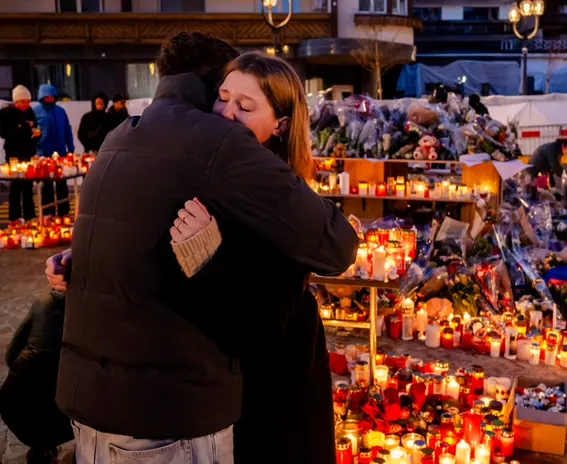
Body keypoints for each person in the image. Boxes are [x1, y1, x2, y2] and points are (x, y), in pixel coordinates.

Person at [54, 32, 358, 464]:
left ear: (281, 123)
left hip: (272, 407)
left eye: (246, 106)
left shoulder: (265, 190)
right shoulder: (209, 159)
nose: (227, 114)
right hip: (177, 403)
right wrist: (80, 263)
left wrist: (209, 259)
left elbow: (269, 322)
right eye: (223, 98)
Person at [0, 290, 73, 464]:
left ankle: (42, 452)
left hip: (15, 403)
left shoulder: (44, 303)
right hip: (63, 409)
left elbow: (10, 356)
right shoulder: (91, 310)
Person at [33, 83, 73, 217]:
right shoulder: (36, 112)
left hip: (61, 153)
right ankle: (48, 213)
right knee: (47, 186)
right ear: (42, 97)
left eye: (51, 96)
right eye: (46, 97)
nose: (49, 99)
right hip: (44, 154)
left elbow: (67, 130)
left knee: (62, 183)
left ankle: (64, 212)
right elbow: (32, 133)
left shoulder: (60, 111)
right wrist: (35, 151)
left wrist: (70, 149)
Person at [0, 85, 39, 221]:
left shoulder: (30, 112)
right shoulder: (7, 113)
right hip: (14, 154)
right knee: (16, 186)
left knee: (28, 186)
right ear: (16, 101)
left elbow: (34, 128)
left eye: (28, 102)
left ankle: (29, 215)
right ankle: (14, 217)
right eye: (23, 102)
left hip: (28, 152)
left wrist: (36, 134)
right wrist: (23, 128)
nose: (26, 105)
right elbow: (4, 133)